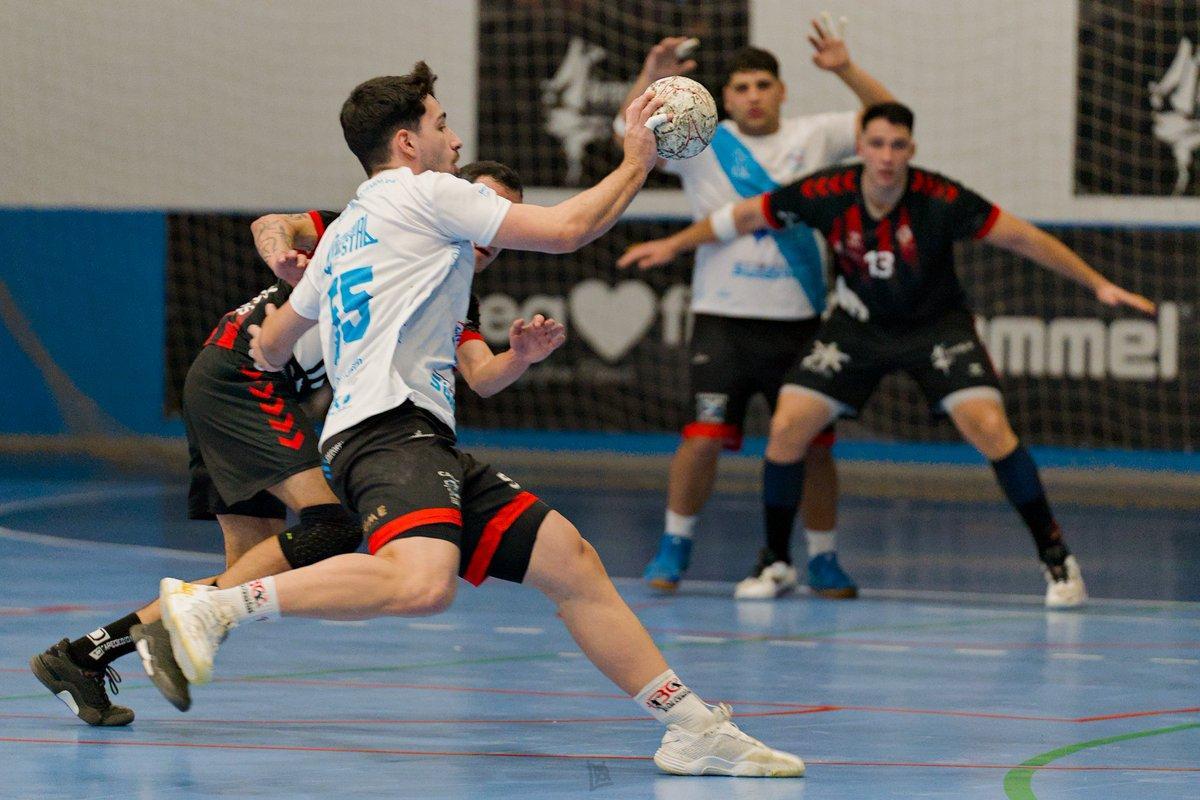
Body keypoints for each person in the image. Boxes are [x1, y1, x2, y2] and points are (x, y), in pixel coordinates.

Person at [139, 63, 805, 777]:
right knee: (422, 585)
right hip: (389, 431)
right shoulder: (426, 195)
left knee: (572, 564)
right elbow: (569, 228)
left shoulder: (348, 230)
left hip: (415, 435)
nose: (454, 141)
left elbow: (268, 349)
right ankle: (218, 608)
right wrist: (637, 159)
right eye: (442, 124)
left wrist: (319, 288)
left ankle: (690, 726)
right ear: (406, 142)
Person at [30, 163, 555, 726]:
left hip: (230, 382)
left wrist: (520, 358)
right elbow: (273, 223)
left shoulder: (455, 290)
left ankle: (82, 656)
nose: (490, 233)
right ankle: (161, 632)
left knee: (251, 575)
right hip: (243, 375)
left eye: (501, 219)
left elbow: (479, 375)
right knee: (331, 528)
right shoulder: (377, 221)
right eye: (483, 202)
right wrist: (281, 251)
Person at [621, 102, 1158, 608]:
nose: (885, 156)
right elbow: (740, 218)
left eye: (897, 145)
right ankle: (777, 561)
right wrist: (672, 245)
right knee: (788, 427)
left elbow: (1023, 239)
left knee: (990, 427)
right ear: (860, 146)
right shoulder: (826, 190)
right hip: (857, 328)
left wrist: (1097, 284)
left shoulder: (941, 199)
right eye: (875, 144)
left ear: (910, 150)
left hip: (935, 329)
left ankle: (1057, 559)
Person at [614, 16, 894, 599]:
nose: (752, 97)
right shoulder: (700, 141)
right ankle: (674, 545)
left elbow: (891, 119)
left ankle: (822, 557)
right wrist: (651, 78)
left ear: (781, 91)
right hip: (724, 318)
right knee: (703, 436)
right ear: (726, 97)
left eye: (763, 86)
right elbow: (627, 134)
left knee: (815, 446)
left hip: (802, 321)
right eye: (740, 88)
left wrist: (844, 68)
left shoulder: (815, 136)